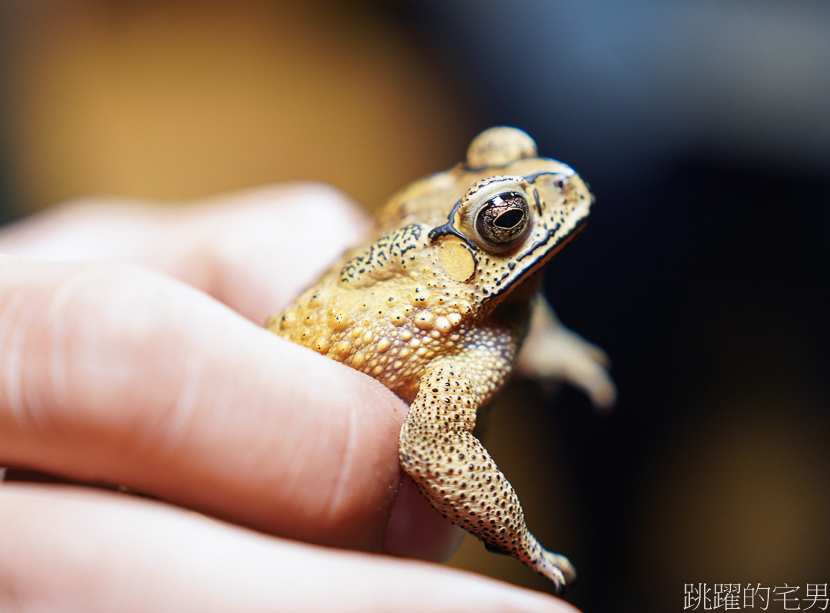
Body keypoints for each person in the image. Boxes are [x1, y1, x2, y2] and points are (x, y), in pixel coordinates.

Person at [0, 183, 577, 612]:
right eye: (506, 217)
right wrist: (514, 532)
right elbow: (432, 440)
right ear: (460, 254)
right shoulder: (455, 352)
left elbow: (515, 292)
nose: (557, 184)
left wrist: (548, 344)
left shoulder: (493, 301)